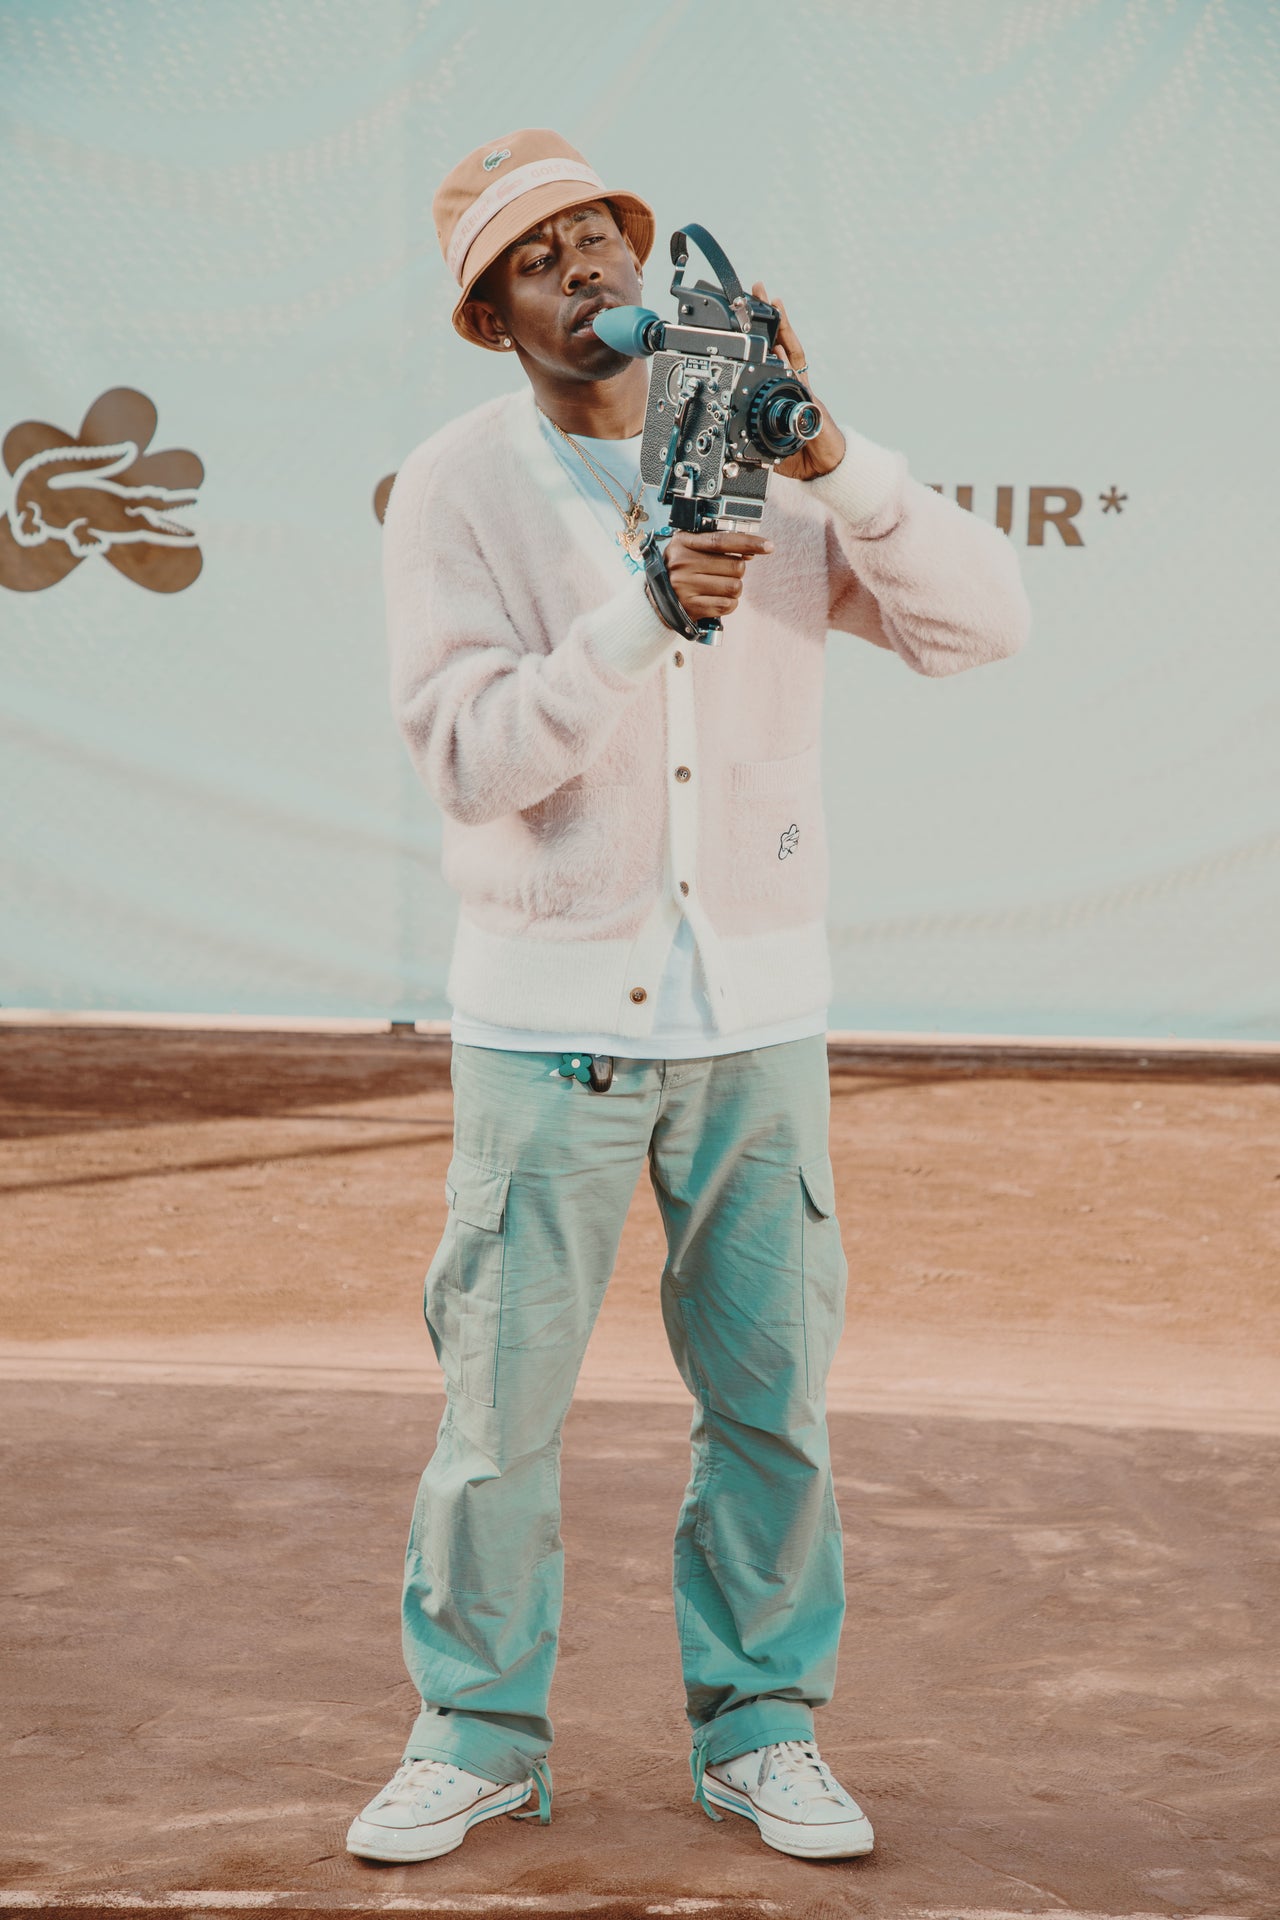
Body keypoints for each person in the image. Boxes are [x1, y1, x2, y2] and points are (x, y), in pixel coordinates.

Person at [347, 127, 1031, 1868]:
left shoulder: (760, 449)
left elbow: (982, 627)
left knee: (772, 1410)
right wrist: (636, 619)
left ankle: (762, 1727)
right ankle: (475, 1735)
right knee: (497, 1419)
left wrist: (835, 456)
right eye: (537, 257)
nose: (583, 266)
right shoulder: (454, 488)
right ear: (490, 318)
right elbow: (468, 757)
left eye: (600, 234)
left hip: (755, 1026)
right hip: (543, 1032)